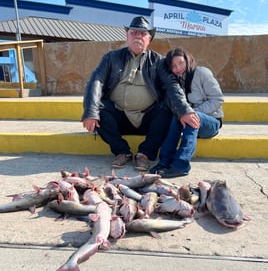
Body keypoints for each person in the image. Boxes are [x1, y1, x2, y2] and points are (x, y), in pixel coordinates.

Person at [81, 16, 174, 172]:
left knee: (166, 109)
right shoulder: (111, 58)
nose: (138, 36)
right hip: (119, 118)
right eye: (134, 33)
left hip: (148, 119)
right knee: (100, 109)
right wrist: (90, 112)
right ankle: (121, 151)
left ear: (149, 39)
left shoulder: (159, 61)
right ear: (127, 36)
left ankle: (145, 154)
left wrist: (185, 111)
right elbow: (96, 81)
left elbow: (171, 87)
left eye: (143, 34)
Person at [150, 47, 224, 178]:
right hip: (192, 124)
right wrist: (184, 113)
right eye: (173, 66)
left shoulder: (202, 73)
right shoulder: (176, 81)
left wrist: (191, 112)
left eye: (180, 63)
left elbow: (217, 100)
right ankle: (164, 161)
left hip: (211, 122)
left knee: (190, 116)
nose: (178, 68)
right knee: (178, 116)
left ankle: (181, 165)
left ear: (188, 60)